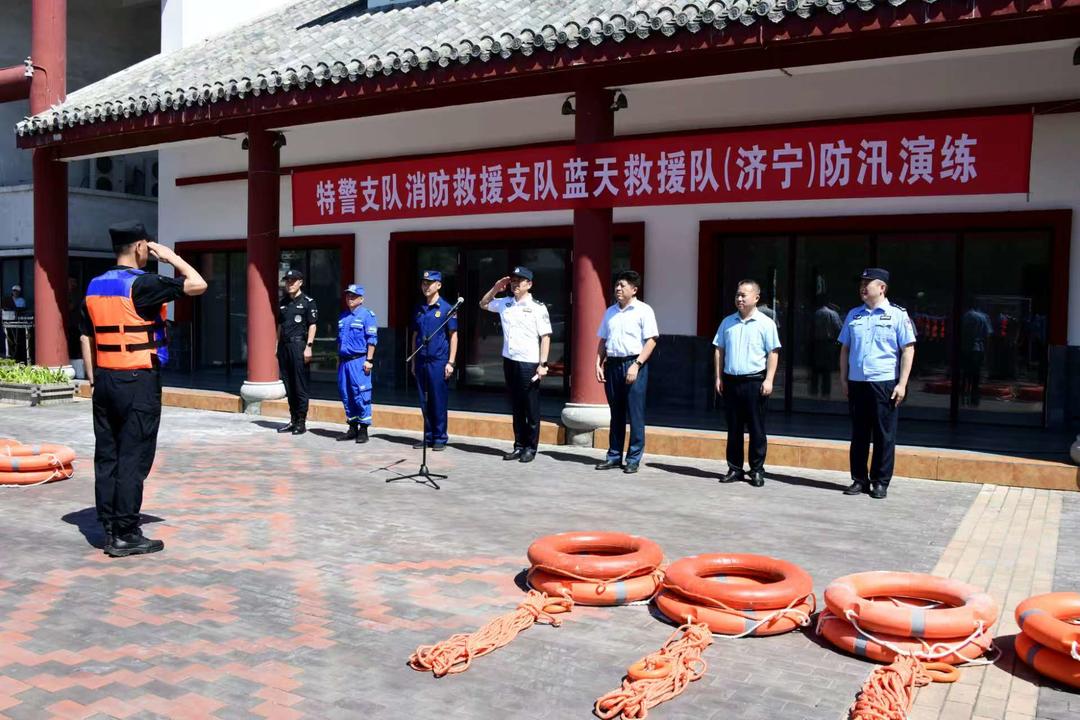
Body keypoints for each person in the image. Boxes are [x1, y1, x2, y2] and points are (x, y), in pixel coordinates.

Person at [79, 221, 207, 557]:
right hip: (137, 381)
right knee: (133, 457)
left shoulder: (94, 285)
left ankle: (109, 526)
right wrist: (171, 256)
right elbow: (198, 284)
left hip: (105, 380)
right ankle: (126, 533)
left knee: (107, 455)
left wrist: (94, 379)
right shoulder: (144, 284)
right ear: (140, 247)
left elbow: (86, 336)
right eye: (147, 247)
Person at [839, 268, 916, 500]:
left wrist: (902, 384)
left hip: (884, 383)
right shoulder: (854, 315)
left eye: (868, 283)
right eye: (861, 283)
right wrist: (843, 379)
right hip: (857, 383)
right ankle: (859, 479)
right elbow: (845, 349)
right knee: (859, 434)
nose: (862, 287)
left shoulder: (897, 315)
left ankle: (880, 482)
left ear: (882, 287)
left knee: (884, 434)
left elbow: (908, 350)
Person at [479, 266, 551, 463]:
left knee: (530, 407)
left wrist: (543, 364)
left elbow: (545, 337)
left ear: (529, 284)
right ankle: (519, 445)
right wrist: (496, 288)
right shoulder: (505, 303)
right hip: (509, 360)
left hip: (529, 362)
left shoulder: (537, 307)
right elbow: (483, 304)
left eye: (520, 281)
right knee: (516, 406)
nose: (515, 284)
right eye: (513, 281)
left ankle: (530, 447)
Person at [713, 280, 781, 487]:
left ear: (756, 298)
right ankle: (735, 468)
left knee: (756, 429)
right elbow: (719, 350)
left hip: (754, 382)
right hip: (731, 382)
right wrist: (718, 377)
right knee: (733, 428)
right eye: (737, 295)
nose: (739, 298)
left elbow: (773, 352)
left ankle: (757, 470)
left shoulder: (766, 323)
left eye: (744, 295)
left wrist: (769, 379)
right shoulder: (727, 322)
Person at [594, 270, 659, 474]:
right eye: (617, 285)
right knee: (616, 413)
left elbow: (652, 340)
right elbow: (603, 340)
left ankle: (633, 458)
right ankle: (614, 455)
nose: (618, 289)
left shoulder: (644, 311)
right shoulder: (610, 312)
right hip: (613, 365)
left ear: (634, 289)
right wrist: (598, 363)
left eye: (622, 285)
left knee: (635, 414)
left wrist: (637, 364)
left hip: (633, 364)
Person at [410, 270, 458, 451]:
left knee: (438, 399)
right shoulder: (419, 308)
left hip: (438, 361)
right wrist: (413, 360)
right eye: (424, 283)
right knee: (424, 400)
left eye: (429, 283)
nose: (426, 286)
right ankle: (428, 436)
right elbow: (415, 335)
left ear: (438, 285)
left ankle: (440, 437)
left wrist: (451, 362)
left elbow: (453, 335)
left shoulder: (446, 308)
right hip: (421, 360)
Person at [277, 269, 318, 435]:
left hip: (299, 346)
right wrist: (276, 345)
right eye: (287, 281)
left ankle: (301, 422)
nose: (289, 284)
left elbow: (312, 325)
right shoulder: (283, 302)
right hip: (284, 347)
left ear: (300, 282)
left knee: (299, 386)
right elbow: (280, 326)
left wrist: (309, 346)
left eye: (293, 281)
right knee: (289, 385)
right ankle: (293, 420)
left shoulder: (308, 302)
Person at [336, 284, 378, 443]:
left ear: (361, 299)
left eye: (353, 296)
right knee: (346, 394)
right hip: (344, 362)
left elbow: (372, 340)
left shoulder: (367, 315)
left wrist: (369, 360)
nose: (350, 298)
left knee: (361, 394)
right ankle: (352, 428)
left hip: (359, 361)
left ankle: (363, 430)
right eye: (348, 295)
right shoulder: (343, 316)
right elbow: (339, 341)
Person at [960, 304, 993, 407]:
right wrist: (986, 352)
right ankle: (974, 398)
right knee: (976, 375)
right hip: (978, 348)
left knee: (965, 374)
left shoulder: (964, 316)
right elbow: (987, 335)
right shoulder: (983, 317)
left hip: (966, 348)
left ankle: (963, 396)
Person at [810, 294, 842, 397]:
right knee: (827, 369)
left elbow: (810, 329)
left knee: (815, 368)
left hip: (816, 343)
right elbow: (839, 328)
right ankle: (826, 391)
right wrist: (838, 343)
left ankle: (814, 390)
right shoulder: (833, 314)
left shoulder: (815, 313)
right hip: (828, 343)